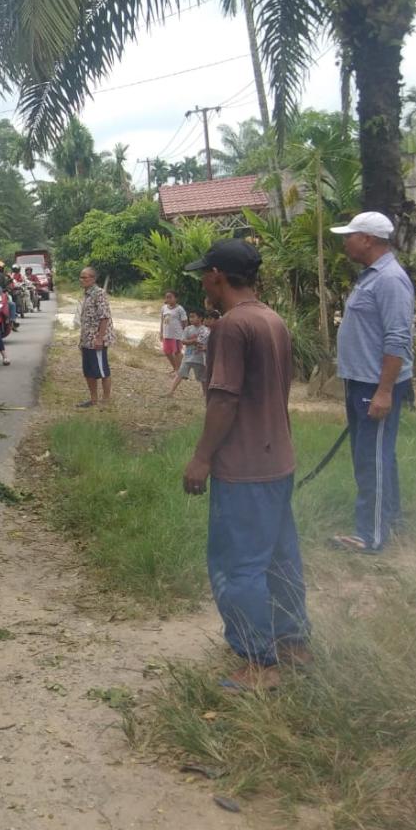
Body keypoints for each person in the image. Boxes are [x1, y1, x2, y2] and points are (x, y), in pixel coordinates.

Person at [181, 238, 308, 691]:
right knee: (280, 559)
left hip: (244, 468)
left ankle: (259, 663)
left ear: (217, 275)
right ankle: (293, 644)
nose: (201, 282)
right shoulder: (272, 319)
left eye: (204, 274)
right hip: (279, 460)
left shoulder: (230, 328)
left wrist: (201, 457)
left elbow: (224, 400)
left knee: (237, 568)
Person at [328, 212, 416, 554]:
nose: (345, 240)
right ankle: (389, 518)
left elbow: (397, 338)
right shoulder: (371, 277)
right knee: (377, 456)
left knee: (371, 459)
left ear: (367, 239)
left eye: (350, 235)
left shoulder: (390, 280)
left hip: (374, 386)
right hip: (360, 382)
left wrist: (383, 390)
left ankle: (370, 535)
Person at [76, 266, 113, 408]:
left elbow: (104, 317)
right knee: (88, 370)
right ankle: (93, 399)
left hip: (96, 339)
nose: (82, 280)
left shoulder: (99, 293)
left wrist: (100, 338)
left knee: (102, 370)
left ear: (93, 279)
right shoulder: (86, 294)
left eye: (85, 277)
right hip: (86, 338)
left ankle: (106, 399)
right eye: (81, 277)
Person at [167, 308, 209, 398]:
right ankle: (171, 392)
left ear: (200, 318)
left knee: (202, 378)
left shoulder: (205, 330)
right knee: (180, 374)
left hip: (200, 358)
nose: (191, 319)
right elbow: (183, 341)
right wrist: (193, 341)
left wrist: (192, 341)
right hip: (188, 357)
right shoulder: (188, 329)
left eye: (193, 317)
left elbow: (202, 341)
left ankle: (205, 394)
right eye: (190, 317)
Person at [159, 290, 187, 372]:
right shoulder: (164, 308)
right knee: (167, 351)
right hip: (167, 334)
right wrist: (161, 332)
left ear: (176, 298)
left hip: (177, 335)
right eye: (167, 297)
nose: (168, 299)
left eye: (170, 297)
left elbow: (184, 321)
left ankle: (179, 370)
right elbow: (162, 321)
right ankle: (175, 368)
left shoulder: (180, 309)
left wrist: (184, 333)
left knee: (177, 352)